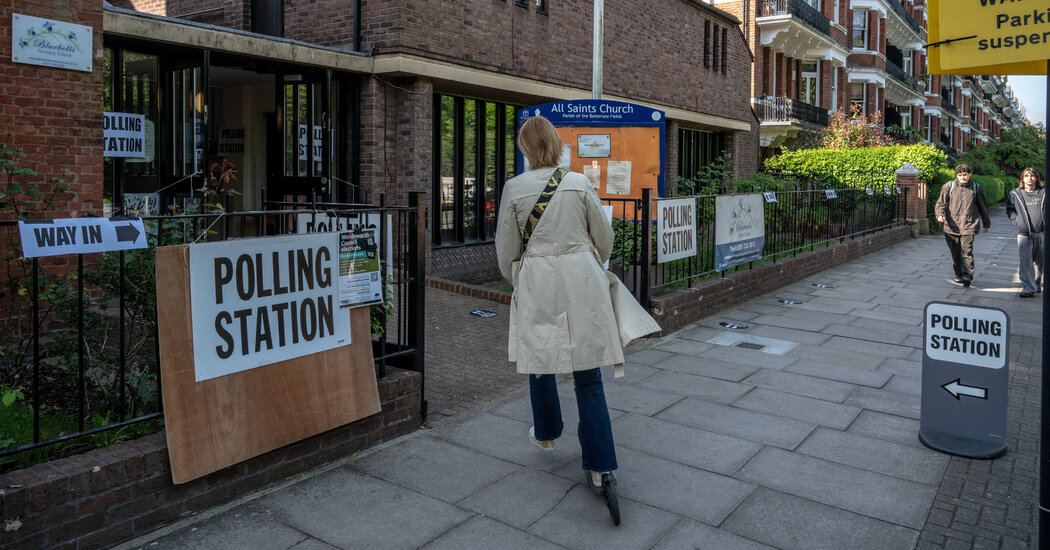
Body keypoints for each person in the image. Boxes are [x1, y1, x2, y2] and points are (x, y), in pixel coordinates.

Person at [494, 115, 657, 489]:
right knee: (588, 371)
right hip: (581, 276)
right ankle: (600, 465)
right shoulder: (579, 182)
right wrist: (591, 259)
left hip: (539, 278)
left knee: (540, 356)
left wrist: (519, 276)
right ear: (556, 145)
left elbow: (506, 251)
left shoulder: (514, 187)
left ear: (524, 148)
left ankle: (548, 431)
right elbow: (604, 236)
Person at [934, 164, 990, 287]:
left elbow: (982, 207)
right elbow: (940, 203)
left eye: (965, 175)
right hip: (951, 225)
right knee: (955, 252)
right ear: (956, 176)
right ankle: (958, 274)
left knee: (967, 251)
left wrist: (986, 223)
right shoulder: (949, 186)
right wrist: (939, 214)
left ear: (970, 174)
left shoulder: (976, 188)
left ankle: (967, 276)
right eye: (960, 175)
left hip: (969, 225)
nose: (963, 178)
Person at [1005, 167, 1045, 298]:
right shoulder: (1016, 194)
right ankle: (1028, 287)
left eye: (1032, 176)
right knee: (1025, 261)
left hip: (1042, 232)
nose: (1030, 178)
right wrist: (1017, 221)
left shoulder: (1044, 193)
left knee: (1040, 262)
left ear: (1036, 178)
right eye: (1027, 176)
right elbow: (1009, 209)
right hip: (1024, 233)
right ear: (1022, 178)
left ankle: (1035, 284)